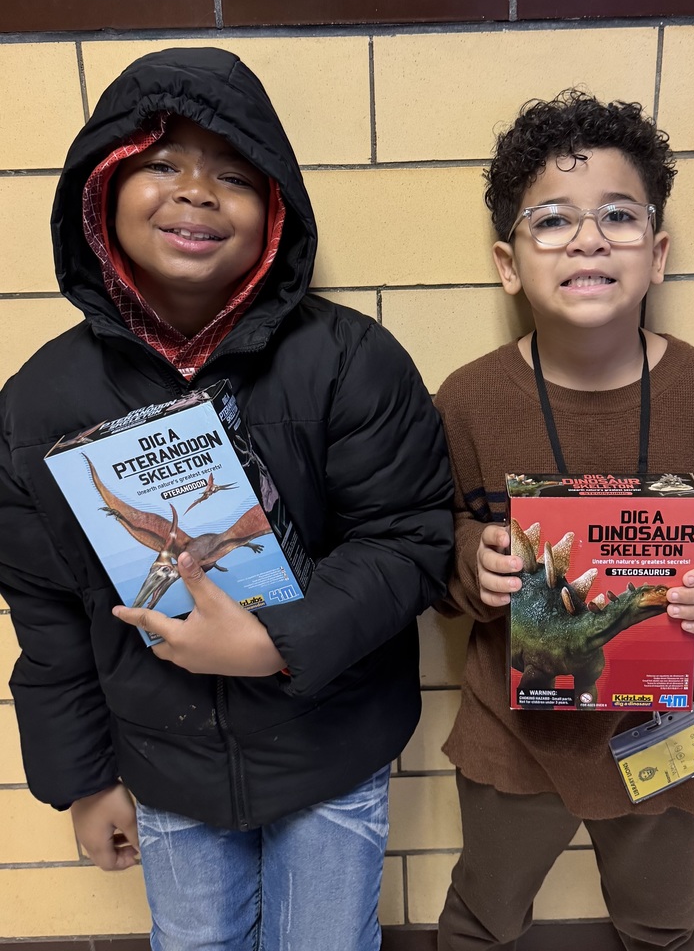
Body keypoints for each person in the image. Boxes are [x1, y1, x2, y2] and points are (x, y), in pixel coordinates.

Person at [0, 47, 453, 951]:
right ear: (99, 195)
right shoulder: (39, 403)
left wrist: (278, 642)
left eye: (235, 175)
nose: (197, 193)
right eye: (162, 164)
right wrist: (84, 781)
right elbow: (47, 615)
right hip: (165, 764)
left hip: (331, 744)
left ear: (276, 211)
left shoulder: (351, 360)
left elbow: (407, 539)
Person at [434, 90, 694, 951]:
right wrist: (473, 560)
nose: (588, 238)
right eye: (552, 221)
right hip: (514, 733)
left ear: (657, 255)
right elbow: (431, 535)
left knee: (662, 920)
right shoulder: (468, 400)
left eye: (619, 215)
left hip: (660, 729)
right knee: (482, 915)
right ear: (509, 264)